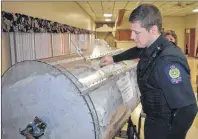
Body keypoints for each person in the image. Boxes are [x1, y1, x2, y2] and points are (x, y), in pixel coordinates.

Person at [100, 4, 197, 139]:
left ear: (153, 30)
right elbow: (137, 50)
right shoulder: (153, 46)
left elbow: (188, 109)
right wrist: (113, 58)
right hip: (153, 120)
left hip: (164, 129)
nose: (132, 36)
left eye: (137, 32)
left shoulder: (167, 60)